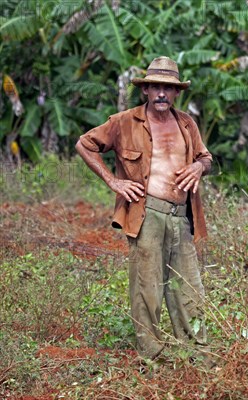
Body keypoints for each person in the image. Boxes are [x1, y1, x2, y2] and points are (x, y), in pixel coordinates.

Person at [75, 56, 212, 360]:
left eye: (168, 87)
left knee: (188, 287)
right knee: (147, 286)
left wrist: (199, 168)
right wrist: (114, 182)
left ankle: (197, 353)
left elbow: (206, 157)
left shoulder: (187, 123)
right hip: (147, 213)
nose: (161, 93)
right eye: (155, 87)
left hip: (182, 217)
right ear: (146, 90)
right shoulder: (124, 121)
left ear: (177, 92)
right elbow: (85, 144)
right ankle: (153, 354)